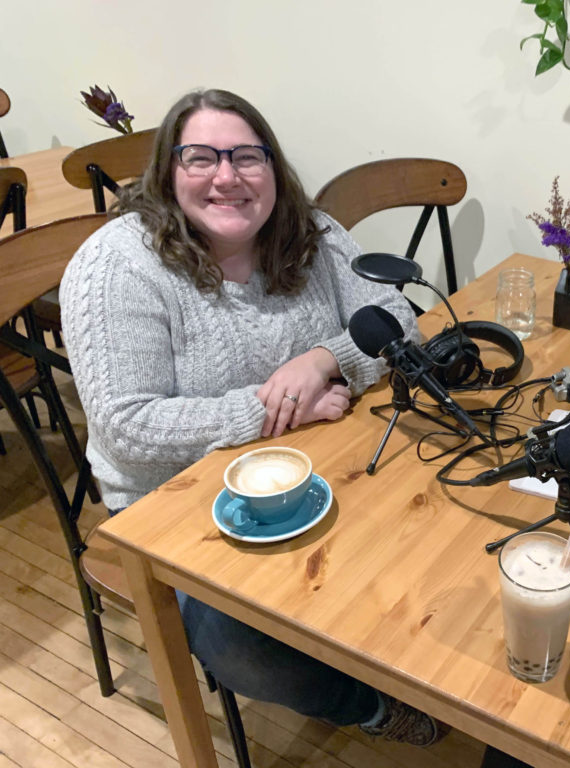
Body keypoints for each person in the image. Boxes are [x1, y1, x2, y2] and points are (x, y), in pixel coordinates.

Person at [61, 88, 445, 746]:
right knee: (240, 646)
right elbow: (126, 427)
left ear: (273, 166)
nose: (226, 176)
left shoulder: (312, 231)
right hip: (176, 504)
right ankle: (372, 706)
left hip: (324, 455)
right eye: (200, 157)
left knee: (422, 532)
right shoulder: (117, 266)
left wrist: (322, 358)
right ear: (167, 171)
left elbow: (399, 318)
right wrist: (275, 410)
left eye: (246, 156)